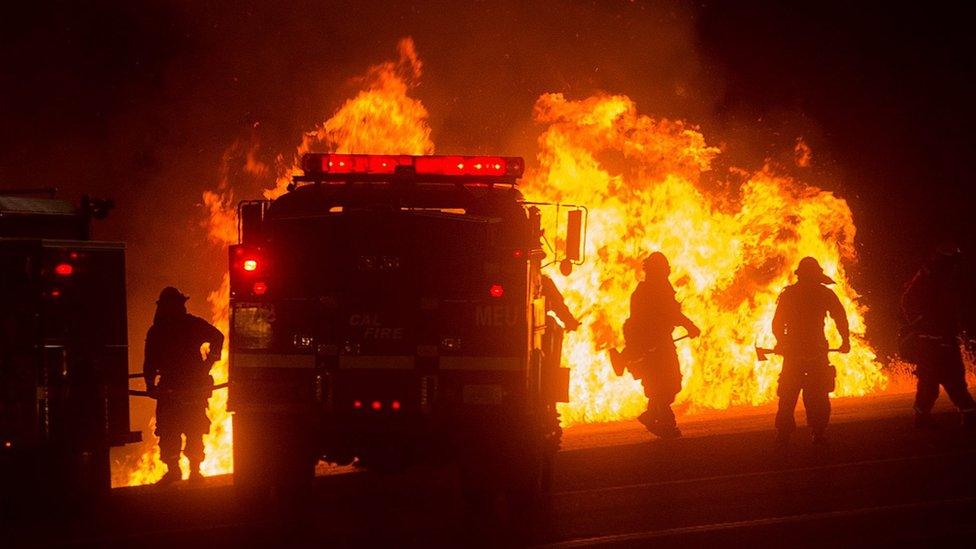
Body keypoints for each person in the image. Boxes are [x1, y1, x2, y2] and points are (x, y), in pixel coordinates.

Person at [609, 252, 700, 438]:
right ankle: (662, 421)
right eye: (664, 266)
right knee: (668, 383)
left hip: (653, 344)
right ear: (659, 269)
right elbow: (670, 312)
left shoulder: (645, 289)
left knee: (659, 384)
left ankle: (653, 417)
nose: (668, 269)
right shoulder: (655, 289)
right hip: (656, 346)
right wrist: (690, 326)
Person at [144, 287, 224, 485]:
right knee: (171, 431)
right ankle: (175, 471)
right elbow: (150, 361)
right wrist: (149, 383)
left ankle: (194, 471)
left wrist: (208, 363)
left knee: (193, 429)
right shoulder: (159, 331)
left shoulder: (186, 325)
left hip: (190, 387)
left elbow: (218, 337)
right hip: (174, 388)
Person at [772, 257, 850, 446]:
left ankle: (785, 434)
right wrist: (845, 340)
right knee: (814, 394)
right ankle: (817, 431)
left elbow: (777, 324)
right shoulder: (823, 293)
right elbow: (840, 317)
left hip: (798, 351)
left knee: (790, 394)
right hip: (812, 350)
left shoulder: (790, 294)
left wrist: (782, 341)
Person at [901, 244, 976, 429]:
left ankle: (969, 415)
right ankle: (923, 418)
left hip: (946, 339)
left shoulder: (949, 278)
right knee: (930, 382)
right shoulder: (930, 275)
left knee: (955, 380)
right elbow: (908, 300)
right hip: (930, 342)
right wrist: (922, 323)